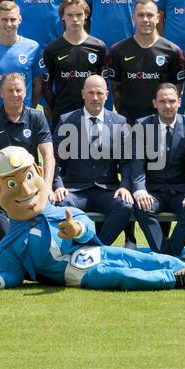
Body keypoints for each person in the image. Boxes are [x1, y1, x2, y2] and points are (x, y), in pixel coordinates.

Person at [0, 146, 185, 292]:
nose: (25, 191)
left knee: (143, 258)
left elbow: (87, 227)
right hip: (75, 274)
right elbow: (13, 272)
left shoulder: (59, 211)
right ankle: (179, 279)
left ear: (38, 172)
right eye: (12, 183)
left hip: (96, 252)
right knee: (122, 275)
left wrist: (77, 229)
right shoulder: (11, 243)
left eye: (27, 178)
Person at [0, 71, 55, 259]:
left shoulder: (37, 117)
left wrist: (47, 186)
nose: (15, 94)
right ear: (1, 93)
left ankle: (33, 246)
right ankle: (5, 243)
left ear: (25, 92)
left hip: (28, 182)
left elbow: (48, 156)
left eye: (18, 90)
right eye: (10, 90)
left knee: (44, 201)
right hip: (1, 183)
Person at [51, 76, 135, 245]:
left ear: (106, 94)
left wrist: (125, 186)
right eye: (90, 93)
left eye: (99, 93)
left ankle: (98, 247)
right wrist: (58, 185)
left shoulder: (119, 122)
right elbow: (54, 160)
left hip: (106, 189)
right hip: (75, 189)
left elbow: (127, 161)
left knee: (124, 205)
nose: (95, 97)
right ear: (83, 94)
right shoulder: (67, 120)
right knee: (62, 203)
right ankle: (79, 247)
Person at [129, 82, 185, 257]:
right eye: (162, 101)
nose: (167, 106)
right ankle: (162, 252)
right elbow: (137, 162)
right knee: (142, 206)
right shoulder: (142, 125)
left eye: (171, 101)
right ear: (155, 103)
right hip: (153, 190)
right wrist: (139, 190)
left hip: (180, 190)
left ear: (179, 102)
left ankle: (170, 253)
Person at [105, 0, 185, 124]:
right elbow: (116, 89)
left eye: (150, 15)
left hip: (161, 122)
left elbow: (177, 90)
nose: (145, 19)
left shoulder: (173, 51)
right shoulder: (117, 50)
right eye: (140, 15)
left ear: (158, 18)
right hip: (128, 122)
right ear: (133, 18)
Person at [41, 0, 108, 123]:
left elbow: (103, 82)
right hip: (63, 114)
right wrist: (56, 106)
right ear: (62, 17)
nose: (75, 19)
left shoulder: (99, 47)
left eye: (79, 14)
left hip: (92, 114)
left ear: (86, 16)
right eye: (70, 15)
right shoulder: (52, 50)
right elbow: (47, 86)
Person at [0, 0, 42, 112]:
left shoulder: (33, 48)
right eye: (4, 19)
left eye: (12, 19)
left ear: (19, 19)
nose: (9, 24)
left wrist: (29, 111)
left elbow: (38, 85)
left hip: (24, 117)